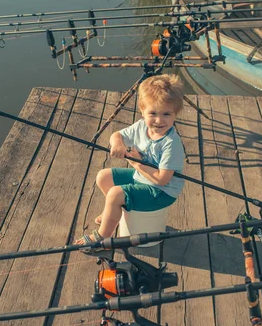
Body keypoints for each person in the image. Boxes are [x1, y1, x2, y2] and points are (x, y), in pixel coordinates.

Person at [77, 74, 185, 247]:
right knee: (103, 176)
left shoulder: (171, 143)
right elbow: (117, 135)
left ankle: (102, 237)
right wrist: (118, 144)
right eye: (153, 113)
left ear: (175, 114)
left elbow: (163, 179)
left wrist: (136, 163)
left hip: (161, 192)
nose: (159, 120)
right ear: (142, 111)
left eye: (166, 114)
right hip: (142, 177)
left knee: (116, 194)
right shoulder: (142, 126)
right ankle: (111, 213)